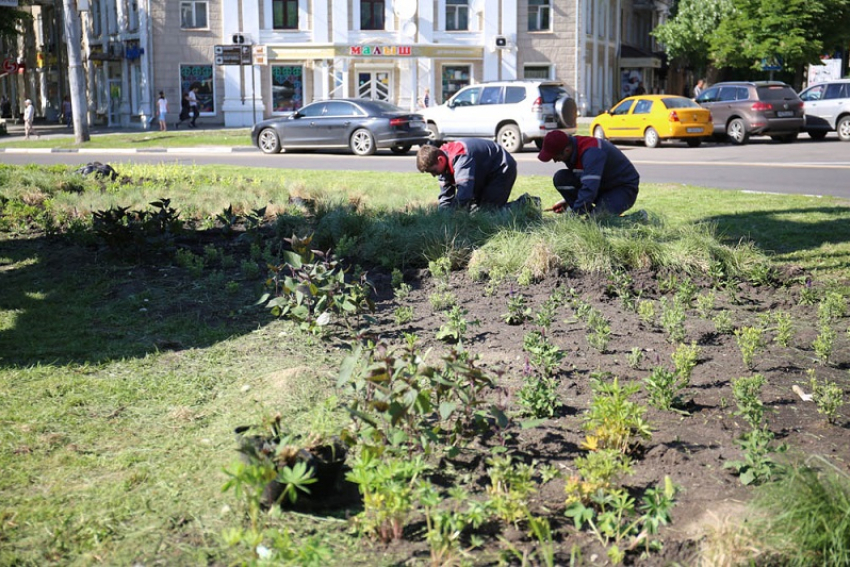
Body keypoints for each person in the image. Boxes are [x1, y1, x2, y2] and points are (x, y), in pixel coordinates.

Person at [537, 130, 639, 216]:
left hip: (623, 189)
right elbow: (584, 181)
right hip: (601, 185)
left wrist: (574, 216)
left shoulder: (591, 153)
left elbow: (590, 188)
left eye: (556, 157)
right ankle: (590, 215)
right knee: (561, 178)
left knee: (597, 221)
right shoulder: (572, 149)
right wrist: (568, 202)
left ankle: (638, 218)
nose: (555, 161)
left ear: (567, 150)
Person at [416, 139, 517, 211]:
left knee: (488, 211)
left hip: (501, 168)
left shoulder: (460, 156)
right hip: (483, 171)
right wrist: (443, 217)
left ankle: (526, 203)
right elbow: (446, 198)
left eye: (433, 171)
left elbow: (464, 194)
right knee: (474, 209)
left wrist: (453, 213)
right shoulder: (442, 162)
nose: (433, 175)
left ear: (440, 160)